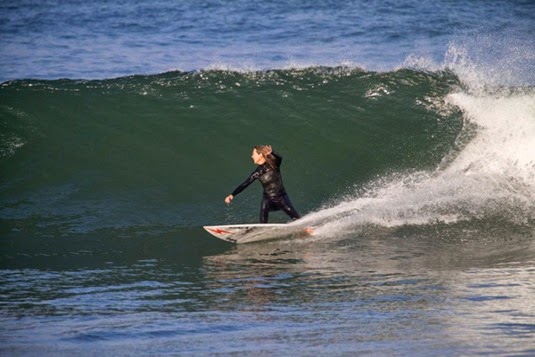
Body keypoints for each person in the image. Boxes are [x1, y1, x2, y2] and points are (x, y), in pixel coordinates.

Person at [225, 145, 302, 223]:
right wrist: (232, 194)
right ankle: (262, 230)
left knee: (294, 215)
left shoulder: (273, 164)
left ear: (260, 155)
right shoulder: (257, 172)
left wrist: (272, 152)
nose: (252, 156)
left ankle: (308, 229)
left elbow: (280, 158)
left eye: (253, 154)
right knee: (263, 217)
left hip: (280, 197)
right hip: (267, 198)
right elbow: (245, 183)